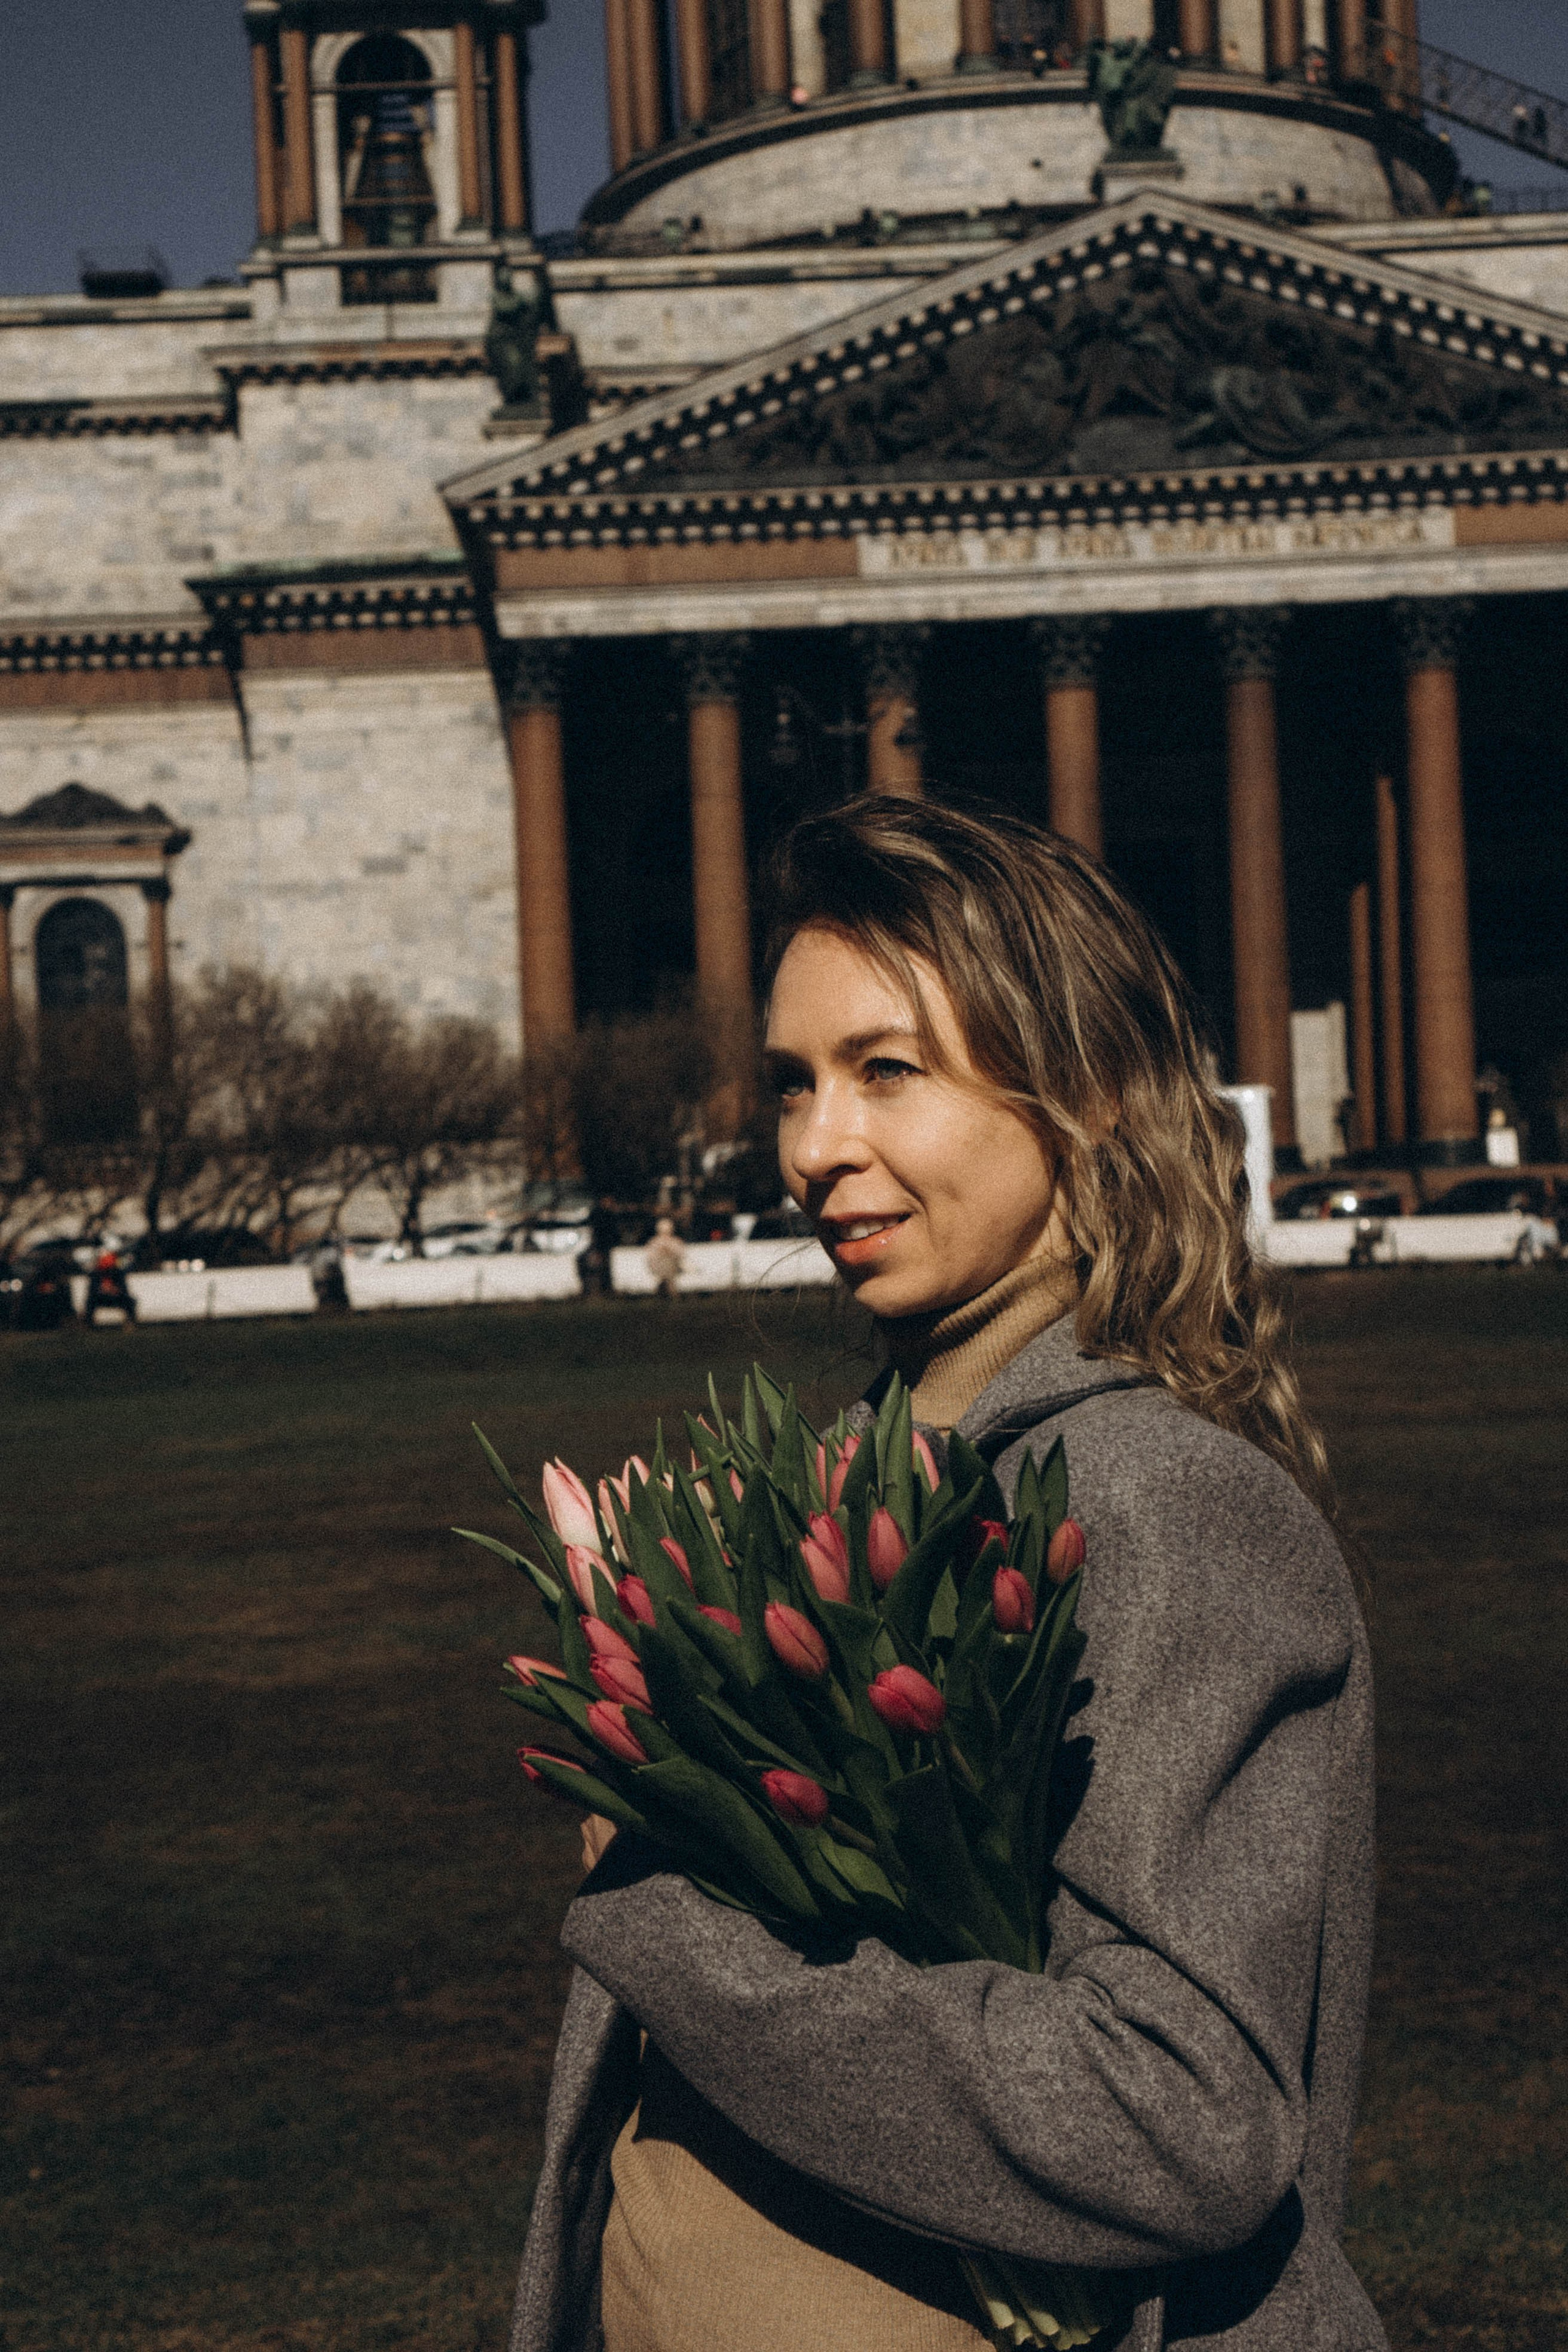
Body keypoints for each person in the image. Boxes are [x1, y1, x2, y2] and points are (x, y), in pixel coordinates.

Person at [512, 797, 1383, 2352]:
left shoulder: (1164, 1503)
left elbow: (1178, 2118)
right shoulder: (847, 1483)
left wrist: (663, 1909)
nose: (810, 1144)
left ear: (1087, 1094)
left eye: (884, 1070)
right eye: (791, 1081)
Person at [643, 1215, 685, 1301]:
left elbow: (681, 1254)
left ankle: (668, 1292)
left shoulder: (675, 1241)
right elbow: (650, 1256)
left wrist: (670, 1253)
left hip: (673, 1267)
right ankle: (670, 1292)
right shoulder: (654, 1242)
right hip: (658, 1267)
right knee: (665, 1266)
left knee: (669, 1265)